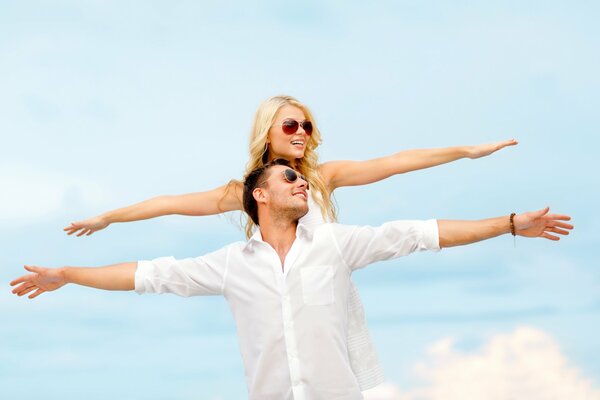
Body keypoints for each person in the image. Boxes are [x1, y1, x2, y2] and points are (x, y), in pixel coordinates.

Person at [12, 160, 573, 399]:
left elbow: (422, 233)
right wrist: (69, 274)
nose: (303, 183)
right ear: (259, 195)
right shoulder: (231, 263)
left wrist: (509, 225)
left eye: (304, 179)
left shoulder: (335, 244)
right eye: (289, 178)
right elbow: (147, 275)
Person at [62, 95, 518, 388]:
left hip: (326, 279)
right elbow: (170, 202)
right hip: (275, 284)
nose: (301, 132)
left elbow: (396, 162)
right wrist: (109, 217)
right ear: (268, 132)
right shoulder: (245, 190)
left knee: (339, 376)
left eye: (306, 126)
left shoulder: (321, 178)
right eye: (290, 126)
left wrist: (467, 151)